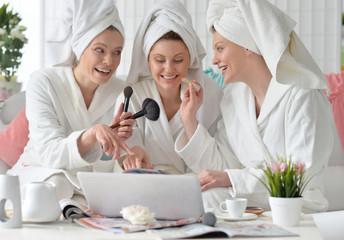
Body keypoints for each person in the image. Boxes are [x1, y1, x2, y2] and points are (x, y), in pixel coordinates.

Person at [176, 0, 344, 212]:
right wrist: (189, 121)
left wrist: (233, 178)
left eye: (220, 48)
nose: (215, 61)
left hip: (302, 203)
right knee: (200, 198)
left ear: (247, 44)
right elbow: (221, 168)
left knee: (207, 202)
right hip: (260, 200)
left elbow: (301, 175)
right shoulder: (233, 99)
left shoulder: (302, 93)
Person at [8, 0, 134, 202]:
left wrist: (114, 145)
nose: (109, 62)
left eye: (117, 52)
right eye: (99, 50)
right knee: (57, 186)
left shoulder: (122, 92)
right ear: (80, 46)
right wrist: (92, 134)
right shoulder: (44, 82)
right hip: (43, 173)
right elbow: (49, 153)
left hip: (90, 186)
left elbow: (107, 166)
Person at [116, 0, 225, 174]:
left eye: (178, 60)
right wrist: (131, 154)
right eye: (159, 60)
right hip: (146, 184)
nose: (168, 69)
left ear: (190, 59)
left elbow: (216, 166)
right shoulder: (132, 96)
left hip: (195, 187)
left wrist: (190, 120)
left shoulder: (212, 94)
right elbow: (124, 152)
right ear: (148, 60)